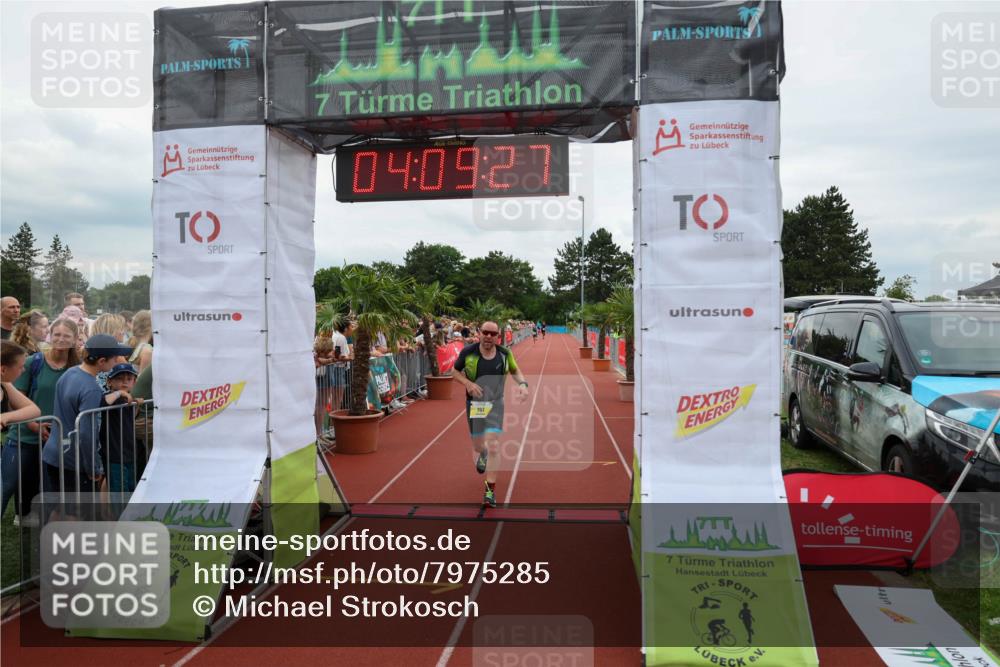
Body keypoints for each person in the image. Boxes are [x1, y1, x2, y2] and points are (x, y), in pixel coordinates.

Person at [1, 319, 78, 521]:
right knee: (8, 483)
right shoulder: (32, 363)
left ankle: (44, 521)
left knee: (48, 484)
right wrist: (33, 425)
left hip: (58, 437)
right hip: (23, 434)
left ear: (75, 339)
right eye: (57, 334)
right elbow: (15, 400)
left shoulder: (77, 368)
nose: (61, 339)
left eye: (66, 335)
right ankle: (22, 513)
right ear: (49, 335)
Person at [41, 334, 132, 500]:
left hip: (54, 454)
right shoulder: (91, 389)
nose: (118, 361)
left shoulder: (70, 372)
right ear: (102, 361)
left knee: (61, 509)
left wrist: (118, 392)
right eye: (115, 358)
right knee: (77, 514)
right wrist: (93, 467)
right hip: (73, 461)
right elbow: (86, 432)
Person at [451, 321, 529, 508]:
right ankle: (482, 452)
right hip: (476, 404)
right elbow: (454, 371)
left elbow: (515, 370)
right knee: (479, 446)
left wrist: (523, 385)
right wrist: (468, 384)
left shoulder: (504, 354)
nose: (488, 336)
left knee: (493, 445)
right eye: (485, 332)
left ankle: (489, 491)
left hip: (496, 403)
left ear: (497, 337)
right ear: (479, 333)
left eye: (492, 334)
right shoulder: (468, 353)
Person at [99, 363, 141, 494]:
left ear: (134, 382)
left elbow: (129, 419)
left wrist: (136, 405)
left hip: (129, 453)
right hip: (114, 455)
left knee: (130, 489)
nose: (124, 382)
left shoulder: (128, 399)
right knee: (119, 493)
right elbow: (104, 402)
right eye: (119, 379)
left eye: (129, 379)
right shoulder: (110, 396)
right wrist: (119, 392)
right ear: (109, 382)